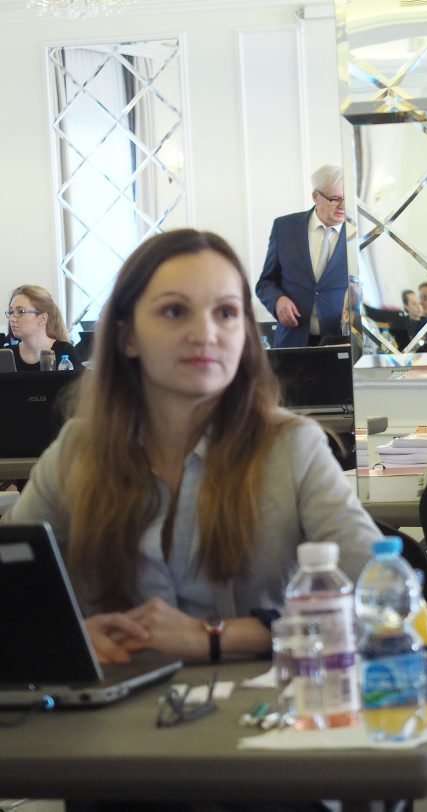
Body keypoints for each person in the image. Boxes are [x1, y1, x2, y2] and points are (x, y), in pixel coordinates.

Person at [3, 229, 378, 665]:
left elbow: (382, 597)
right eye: (175, 311)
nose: (205, 333)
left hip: (261, 700)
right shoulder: (78, 450)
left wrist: (217, 637)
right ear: (127, 336)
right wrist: (64, 636)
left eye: (226, 313)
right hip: (118, 700)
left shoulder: (292, 446)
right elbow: (13, 593)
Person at [255, 165, 350, 348]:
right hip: (292, 342)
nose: (343, 206)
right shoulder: (285, 228)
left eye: (347, 199)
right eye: (335, 199)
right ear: (316, 197)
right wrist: (277, 301)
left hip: (341, 344)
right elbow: (265, 283)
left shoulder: (359, 233)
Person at [5, 285, 79, 371]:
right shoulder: (7, 356)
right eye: (11, 312)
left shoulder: (65, 352)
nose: (12, 319)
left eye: (21, 311)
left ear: (43, 318)